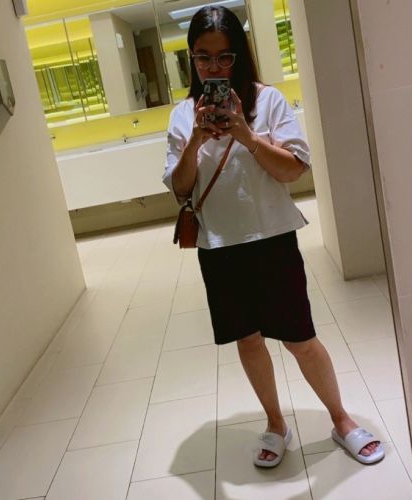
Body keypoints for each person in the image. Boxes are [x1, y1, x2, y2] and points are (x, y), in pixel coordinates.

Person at [162, 5, 384, 468]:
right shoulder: (183, 116)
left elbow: (293, 170)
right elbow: (180, 187)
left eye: (224, 57)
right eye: (203, 57)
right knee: (248, 341)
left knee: (300, 338)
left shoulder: (268, 102)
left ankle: (341, 418)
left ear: (240, 56)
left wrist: (246, 134)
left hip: (272, 239)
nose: (214, 68)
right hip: (218, 247)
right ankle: (276, 423)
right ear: (191, 58)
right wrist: (196, 140)